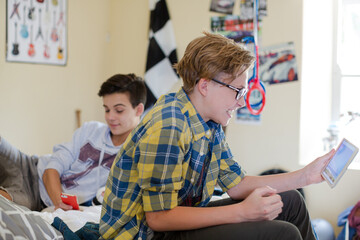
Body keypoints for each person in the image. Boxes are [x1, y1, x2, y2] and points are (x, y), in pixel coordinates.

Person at [100, 32, 335, 240]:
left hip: (171, 223)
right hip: (147, 233)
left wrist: (305, 176)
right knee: (284, 234)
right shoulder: (169, 126)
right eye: (237, 91)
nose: (242, 102)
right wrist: (241, 213)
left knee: (291, 200)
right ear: (205, 86)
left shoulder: (210, 122)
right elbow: (158, 218)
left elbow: (236, 184)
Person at [0, 73, 146, 211]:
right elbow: (51, 168)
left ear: (138, 110)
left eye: (119, 110)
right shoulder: (91, 129)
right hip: (29, 165)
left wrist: (59, 205)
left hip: (35, 198)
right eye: (107, 110)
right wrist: (59, 200)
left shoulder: (136, 155)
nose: (110, 117)